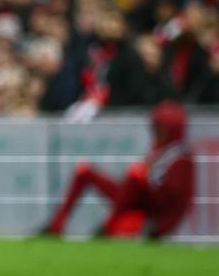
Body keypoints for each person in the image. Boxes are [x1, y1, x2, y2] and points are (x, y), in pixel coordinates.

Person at [41, 100, 195, 239]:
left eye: (160, 128)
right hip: (133, 199)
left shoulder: (180, 157)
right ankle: (57, 224)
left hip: (151, 212)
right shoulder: (159, 150)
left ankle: (106, 228)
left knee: (135, 175)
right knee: (84, 171)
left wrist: (159, 227)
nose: (156, 132)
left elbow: (174, 200)